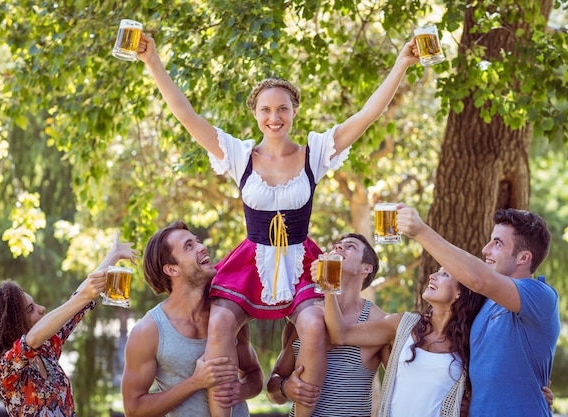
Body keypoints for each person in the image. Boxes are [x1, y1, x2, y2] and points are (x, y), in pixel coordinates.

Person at [136, 32, 420, 417]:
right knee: (220, 322)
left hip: (301, 258)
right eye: (266, 110)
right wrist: (152, 61)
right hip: (251, 260)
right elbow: (187, 115)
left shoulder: (315, 153)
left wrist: (401, 63)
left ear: (294, 112)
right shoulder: (239, 155)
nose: (274, 118)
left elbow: (367, 115)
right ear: (255, 113)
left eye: (282, 109)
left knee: (316, 328)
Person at [396, 205, 561, 416]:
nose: (486, 249)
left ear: (523, 258)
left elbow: (479, 280)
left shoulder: (541, 296)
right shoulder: (484, 303)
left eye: (497, 243)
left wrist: (420, 231)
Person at [120, 220, 263, 417]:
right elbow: (134, 409)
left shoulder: (228, 314)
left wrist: (242, 390)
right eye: (189, 246)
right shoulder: (149, 331)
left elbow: (253, 373)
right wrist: (195, 382)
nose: (203, 247)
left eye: (197, 242)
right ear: (172, 269)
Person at [0, 233, 139, 417]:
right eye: (31, 309)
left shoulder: (46, 350)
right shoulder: (6, 370)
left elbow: (76, 303)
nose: (42, 309)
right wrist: (85, 296)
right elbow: (31, 340)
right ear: (13, 324)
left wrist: (114, 255)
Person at [324, 263, 486, 417]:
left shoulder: (471, 342)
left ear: (460, 293)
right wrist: (329, 287)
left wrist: (470, 404)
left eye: (444, 274)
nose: (432, 276)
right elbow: (340, 334)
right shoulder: (403, 325)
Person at [266, 233, 389, 417]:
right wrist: (285, 388)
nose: (339, 248)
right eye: (337, 246)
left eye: (350, 247)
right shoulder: (305, 318)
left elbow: (400, 387)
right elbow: (272, 390)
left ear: (366, 268)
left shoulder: (380, 322)